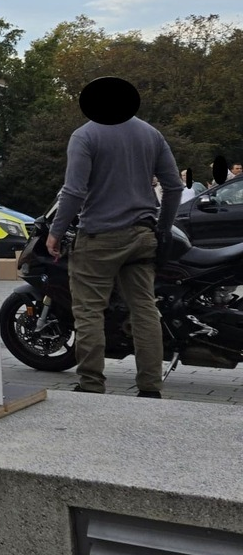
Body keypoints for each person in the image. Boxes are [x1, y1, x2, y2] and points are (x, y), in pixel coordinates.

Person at [47, 77, 181, 399]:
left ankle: (92, 384)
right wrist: (162, 228)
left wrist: (56, 232)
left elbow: (74, 191)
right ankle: (150, 387)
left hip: (99, 237)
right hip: (142, 236)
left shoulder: (85, 135)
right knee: (144, 309)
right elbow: (174, 186)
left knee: (89, 311)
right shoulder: (151, 134)